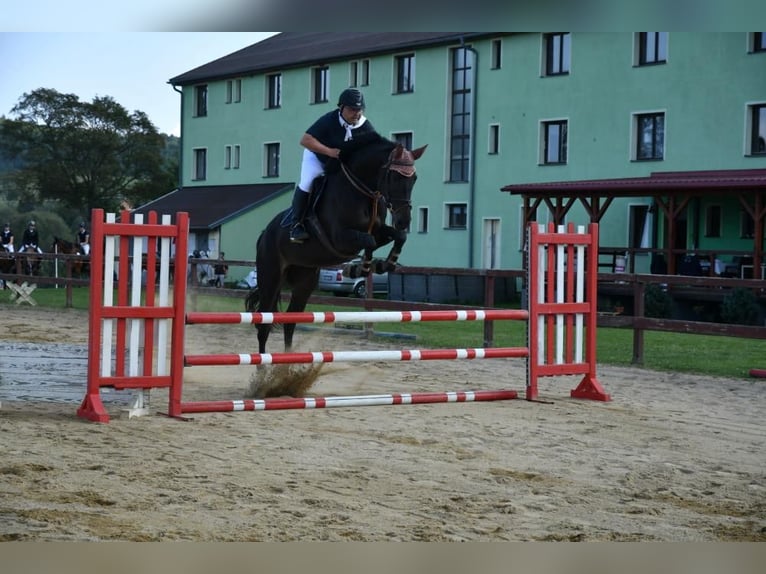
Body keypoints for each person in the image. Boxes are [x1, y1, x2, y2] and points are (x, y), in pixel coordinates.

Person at [287, 87, 377, 243]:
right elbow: (305, 140)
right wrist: (329, 151)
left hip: (340, 161)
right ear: (341, 108)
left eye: (359, 109)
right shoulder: (329, 120)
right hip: (318, 155)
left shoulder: (365, 126)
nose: (356, 113)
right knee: (308, 181)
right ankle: (296, 225)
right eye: (352, 109)